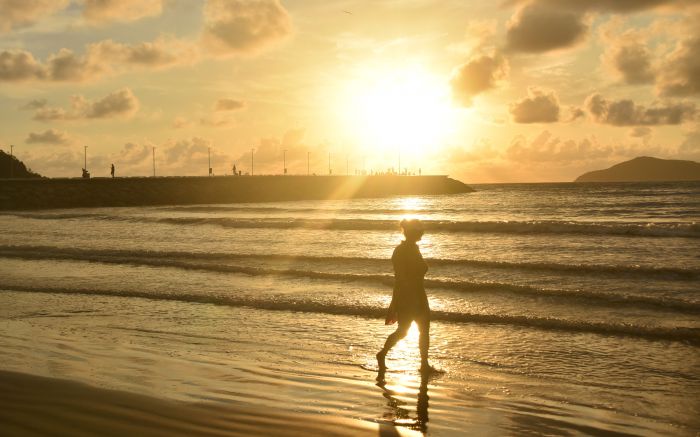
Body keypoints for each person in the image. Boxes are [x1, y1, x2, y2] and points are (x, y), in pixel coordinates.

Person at [377, 218, 433, 373]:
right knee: (404, 331)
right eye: (420, 230)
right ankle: (382, 354)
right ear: (413, 232)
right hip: (409, 296)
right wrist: (395, 301)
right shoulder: (402, 251)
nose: (422, 232)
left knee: (422, 329)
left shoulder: (412, 248)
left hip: (418, 294)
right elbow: (400, 278)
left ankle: (424, 364)